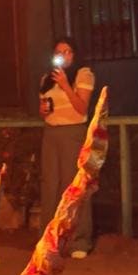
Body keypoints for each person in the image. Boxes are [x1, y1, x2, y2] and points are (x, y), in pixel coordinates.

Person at [38, 37, 97, 258]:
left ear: (74, 55)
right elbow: (43, 109)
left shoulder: (83, 74)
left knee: (73, 185)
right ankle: (50, 241)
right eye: (58, 52)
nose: (63, 55)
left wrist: (65, 85)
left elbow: (82, 108)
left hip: (73, 132)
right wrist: (43, 110)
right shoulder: (46, 79)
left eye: (68, 51)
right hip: (51, 132)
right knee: (50, 184)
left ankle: (79, 240)